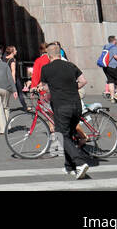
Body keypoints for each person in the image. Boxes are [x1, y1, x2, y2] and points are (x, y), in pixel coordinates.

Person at [38, 42, 91, 179]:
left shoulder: (46, 69)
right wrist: (72, 88)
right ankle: (69, 166)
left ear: (49, 55)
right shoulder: (71, 65)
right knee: (70, 133)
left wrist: (40, 88)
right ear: (60, 54)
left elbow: (45, 88)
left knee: (61, 134)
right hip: (76, 105)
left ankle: (79, 163)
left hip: (61, 106)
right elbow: (83, 81)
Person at [97, 35, 117, 103]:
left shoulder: (105, 46)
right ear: (114, 41)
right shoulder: (114, 47)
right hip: (114, 66)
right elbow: (115, 56)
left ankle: (112, 97)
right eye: (116, 40)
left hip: (105, 67)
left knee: (111, 81)